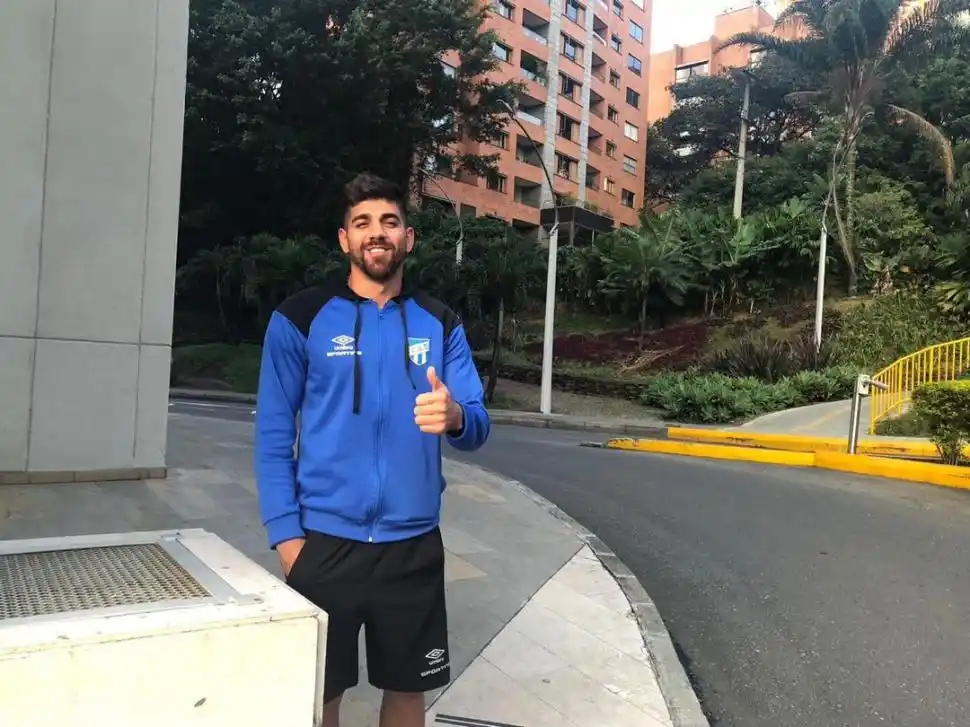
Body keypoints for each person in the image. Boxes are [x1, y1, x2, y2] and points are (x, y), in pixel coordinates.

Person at [253, 171, 491, 727]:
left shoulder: (440, 322)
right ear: (345, 240)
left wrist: (454, 415)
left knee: (408, 693)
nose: (376, 233)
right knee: (320, 696)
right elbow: (271, 436)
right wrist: (288, 539)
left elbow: (479, 425)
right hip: (323, 543)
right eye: (363, 223)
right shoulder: (299, 319)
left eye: (389, 222)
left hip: (412, 545)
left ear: (408, 238)